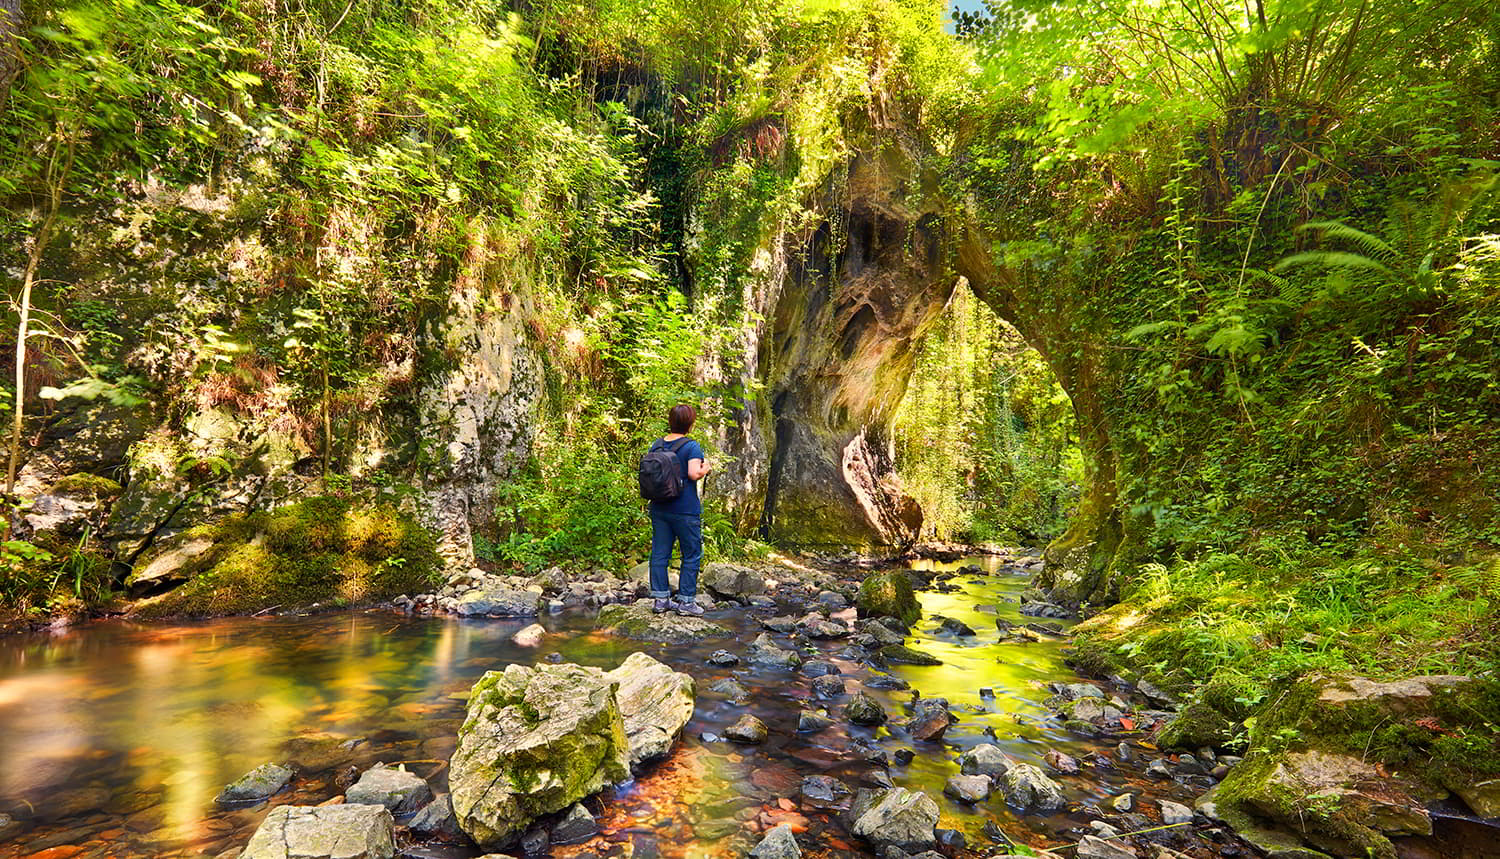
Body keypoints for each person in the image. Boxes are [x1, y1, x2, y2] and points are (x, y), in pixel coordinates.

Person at [647, 404, 711, 616]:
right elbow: (693, 473)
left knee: (659, 553)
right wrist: (706, 468)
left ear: (670, 421)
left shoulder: (656, 445)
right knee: (691, 554)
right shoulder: (691, 446)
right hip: (685, 509)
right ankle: (686, 602)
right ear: (690, 424)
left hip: (659, 507)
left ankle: (660, 599)